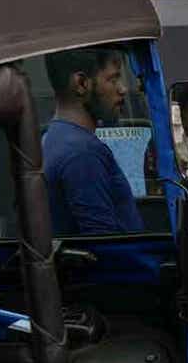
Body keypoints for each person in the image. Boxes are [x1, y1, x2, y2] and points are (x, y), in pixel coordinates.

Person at [42, 47, 144, 235]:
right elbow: (103, 247)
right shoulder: (83, 153)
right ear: (81, 83)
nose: (123, 89)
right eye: (113, 79)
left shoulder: (53, 138)